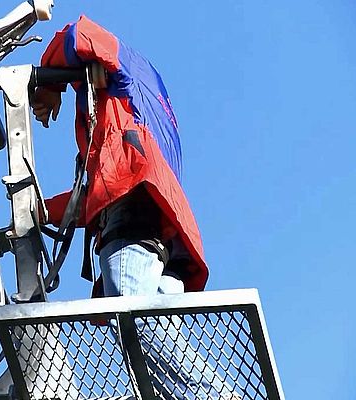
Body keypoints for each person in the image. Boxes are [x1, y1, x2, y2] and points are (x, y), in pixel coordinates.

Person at [32, 16, 236, 399]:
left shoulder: (127, 71)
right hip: (160, 239)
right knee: (148, 350)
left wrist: (49, 82)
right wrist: (43, 211)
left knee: (135, 322)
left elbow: (81, 34)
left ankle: (219, 394)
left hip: (132, 230)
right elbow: (97, 192)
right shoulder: (143, 119)